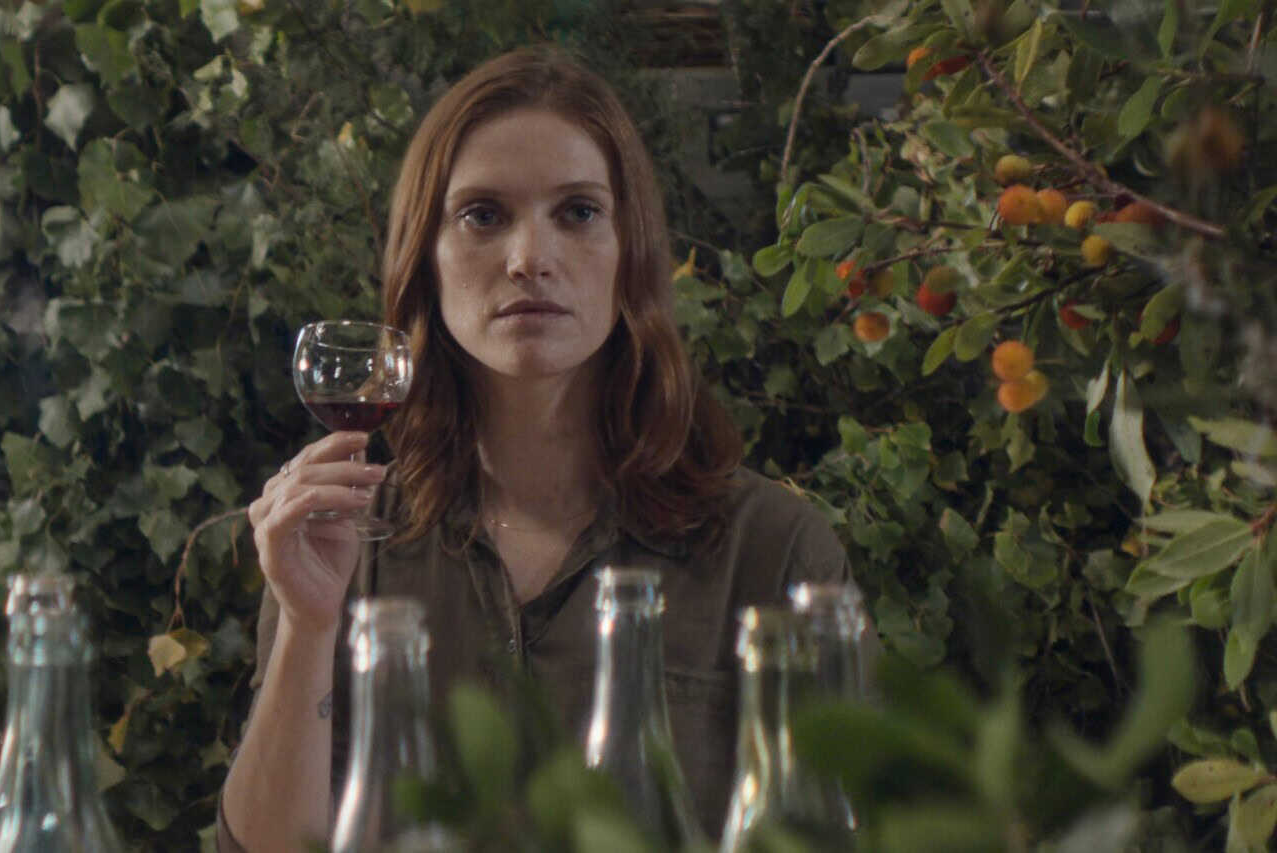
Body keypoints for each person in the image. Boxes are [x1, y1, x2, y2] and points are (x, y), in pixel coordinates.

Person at [220, 46, 857, 852]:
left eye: (578, 212)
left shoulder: (773, 552)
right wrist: (311, 626)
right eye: (483, 215)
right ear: (427, 256)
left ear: (632, 252)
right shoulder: (349, 541)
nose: (530, 258)